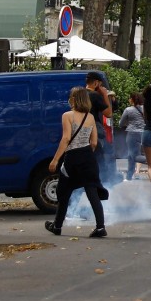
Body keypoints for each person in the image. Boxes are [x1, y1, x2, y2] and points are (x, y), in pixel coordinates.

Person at [45, 86, 108, 238]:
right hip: (88, 157)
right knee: (92, 191)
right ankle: (100, 227)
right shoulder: (90, 117)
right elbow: (93, 142)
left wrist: (55, 160)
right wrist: (86, 155)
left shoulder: (67, 115)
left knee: (64, 192)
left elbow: (66, 138)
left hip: (72, 158)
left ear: (73, 99)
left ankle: (57, 226)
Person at [118, 92, 147, 181]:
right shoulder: (145, 109)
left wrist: (128, 123)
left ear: (132, 99)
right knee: (133, 155)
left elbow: (121, 123)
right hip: (144, 133)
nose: (129, 100)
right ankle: (129, 176)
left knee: (133, 156)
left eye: (129, 98)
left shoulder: (128, 110)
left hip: (132, 134)